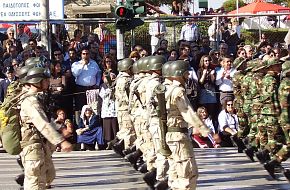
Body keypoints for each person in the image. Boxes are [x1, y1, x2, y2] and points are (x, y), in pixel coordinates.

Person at [19, 67, 72, 190]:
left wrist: (60, 129)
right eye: (45, 80)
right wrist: (61, 141)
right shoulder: (30, 101)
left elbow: (47, 119)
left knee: (48, 176)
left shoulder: (37, 98)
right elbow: (42, 123)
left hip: (40, 145)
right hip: (32, 147)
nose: (48, 82)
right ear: (37, 82)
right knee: (36, 183)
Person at [165, 60, 209, 190]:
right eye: (185, 74)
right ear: (179, 74)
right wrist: (203, 129)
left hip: (171, 134)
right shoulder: (178, 91)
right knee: (188, 173)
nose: (188, 76)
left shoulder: (166, 89)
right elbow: (187, 112)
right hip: (179, 135)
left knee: (175, 172)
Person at [71, 47, 102, 120]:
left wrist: (97, 84)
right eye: (83, 54)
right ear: (81, 55)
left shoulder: (94, 64)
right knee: (80, 108)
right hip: (80, 89)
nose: (85, 55)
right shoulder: (76, 64)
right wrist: (83, 65)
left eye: (87, 54)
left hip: (92, 89)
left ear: (89, 54)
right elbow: (75, 74)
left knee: (92, 108)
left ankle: (92, 125)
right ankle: (80, 125)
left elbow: (98, 74)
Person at [99, 71, 119, 148]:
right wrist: (108, 90)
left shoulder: (116, 85)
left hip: (114, 108)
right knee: (107, 128)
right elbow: (102, 95)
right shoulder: (103, 86)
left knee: (114, 126)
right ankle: (108, 142)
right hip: (107, 108)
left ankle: (116, 142)